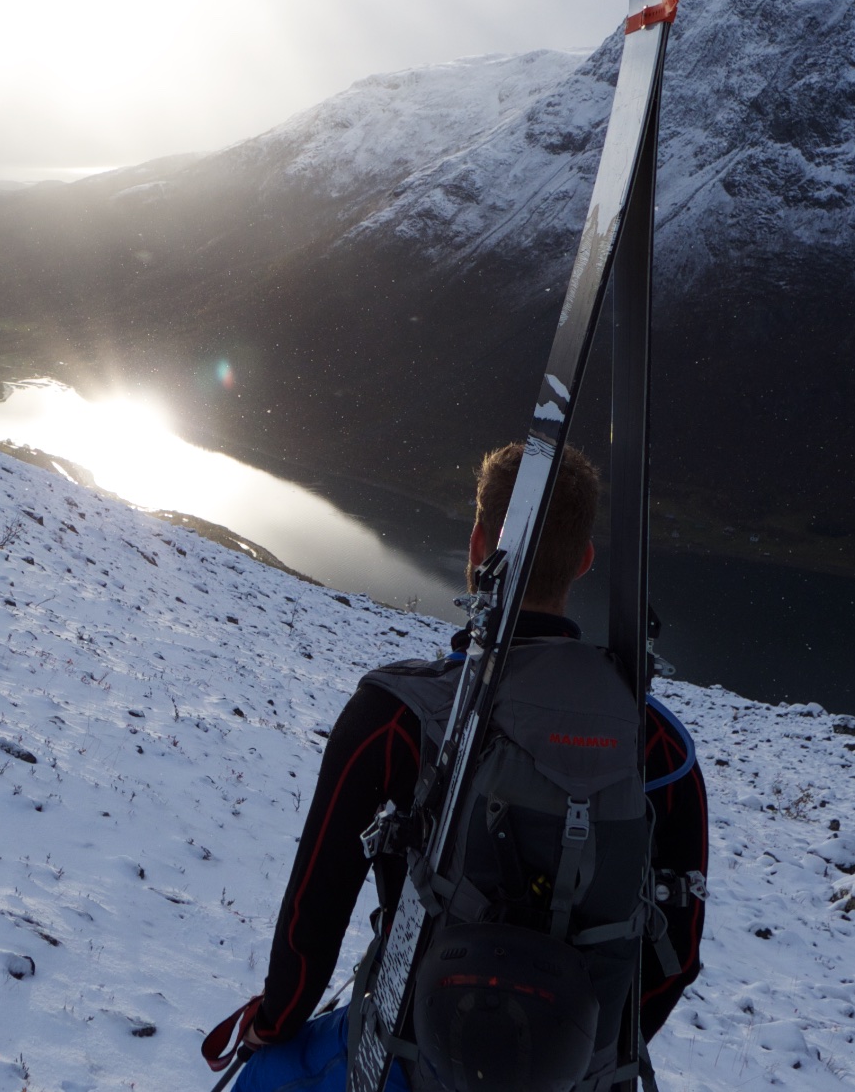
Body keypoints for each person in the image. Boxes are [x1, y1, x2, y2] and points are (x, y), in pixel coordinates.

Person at [203, 442, 708, 1091]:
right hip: (581, 1074)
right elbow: (677, 952)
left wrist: (271, 1021)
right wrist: (570, 1059)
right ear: (583, 561)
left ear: (476, 545)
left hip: (412, 1058)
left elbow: (314, 912)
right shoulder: (658, 747)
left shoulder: (399, 714)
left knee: (272, 1078)